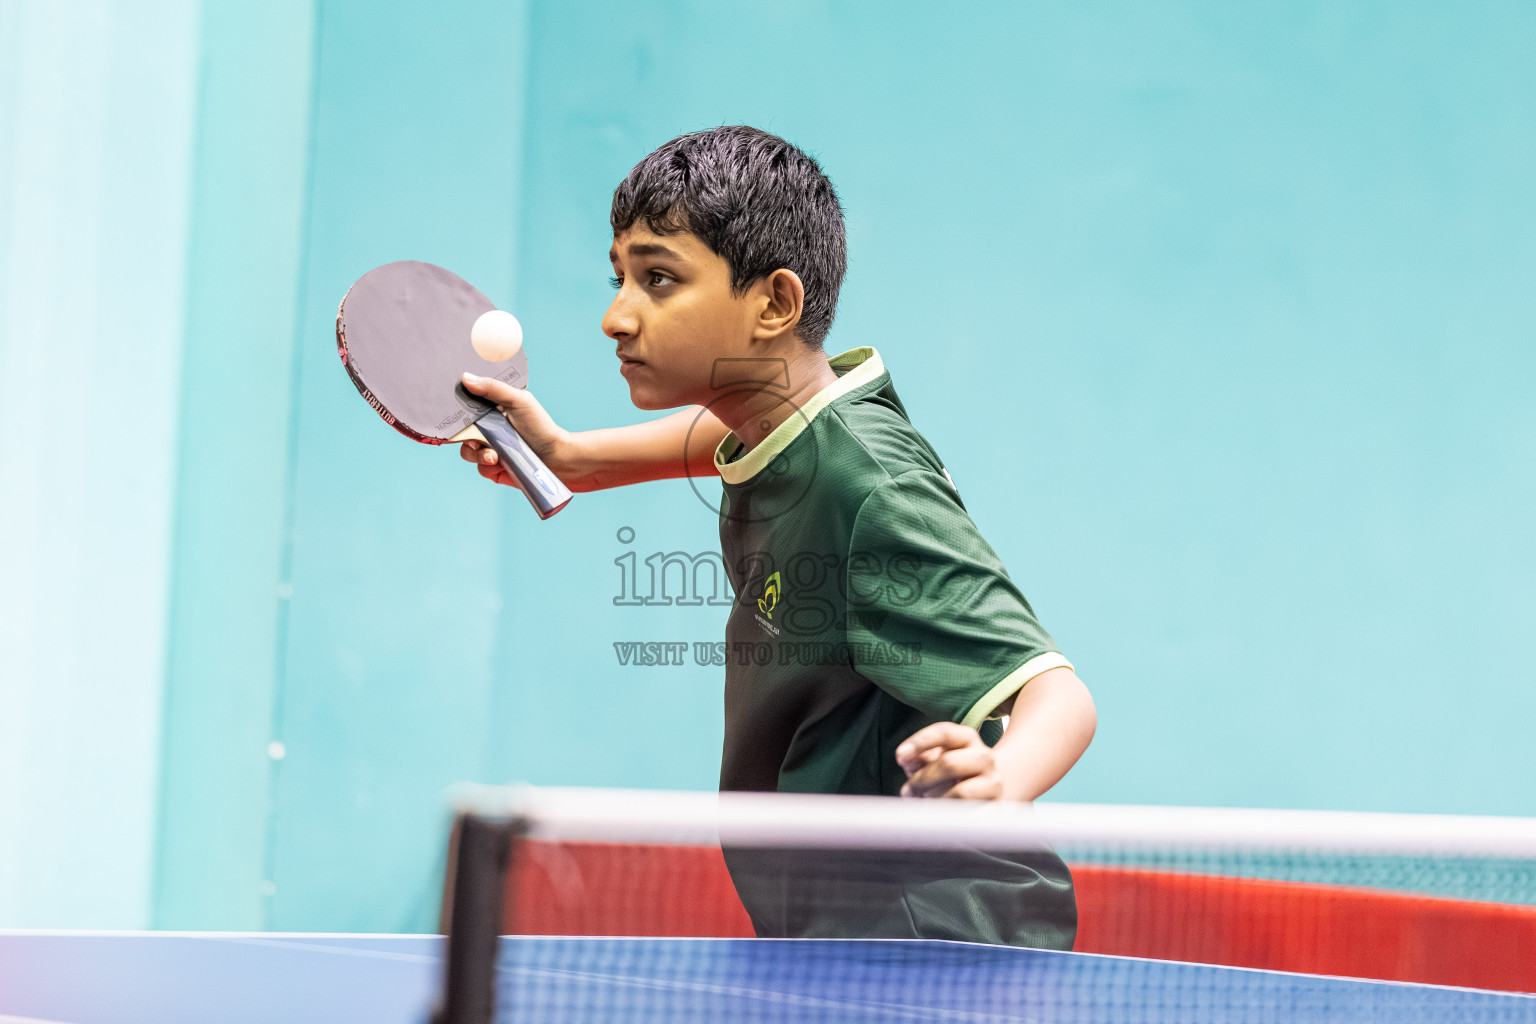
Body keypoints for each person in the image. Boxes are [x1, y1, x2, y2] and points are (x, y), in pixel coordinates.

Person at [459, 126, 1097, 947]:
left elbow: (1059, 696)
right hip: (844, 927)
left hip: (934, 943)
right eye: (618, 278)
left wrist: (999, 776)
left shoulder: (872, 487)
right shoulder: (799, 417)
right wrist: (574, 458)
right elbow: (744, 429)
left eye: (658, 279)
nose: (617, 317)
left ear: (774, 303)